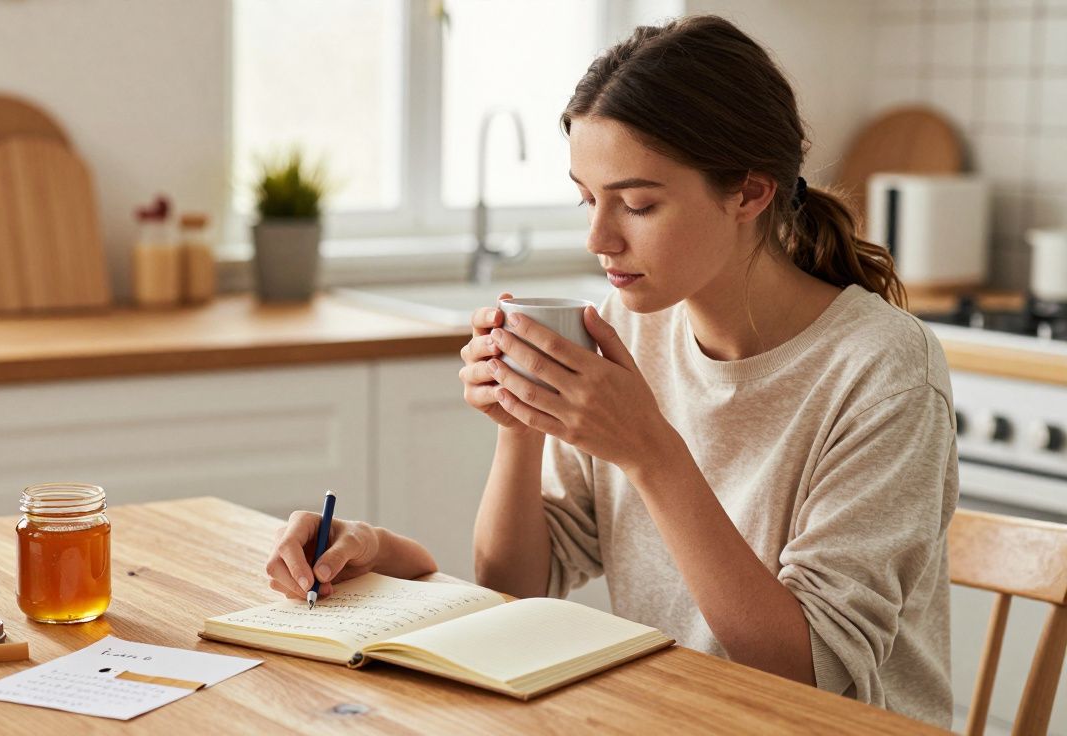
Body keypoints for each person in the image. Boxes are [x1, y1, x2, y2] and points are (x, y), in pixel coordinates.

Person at [264, 14, 957, 726]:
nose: (598, 237)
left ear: (750, 193)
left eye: (638, 203)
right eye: (588, 198)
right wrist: (521, 421)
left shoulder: (882, 368)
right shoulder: (631, 324)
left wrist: (650, 451)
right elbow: (519, 583)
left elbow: (809, 671)